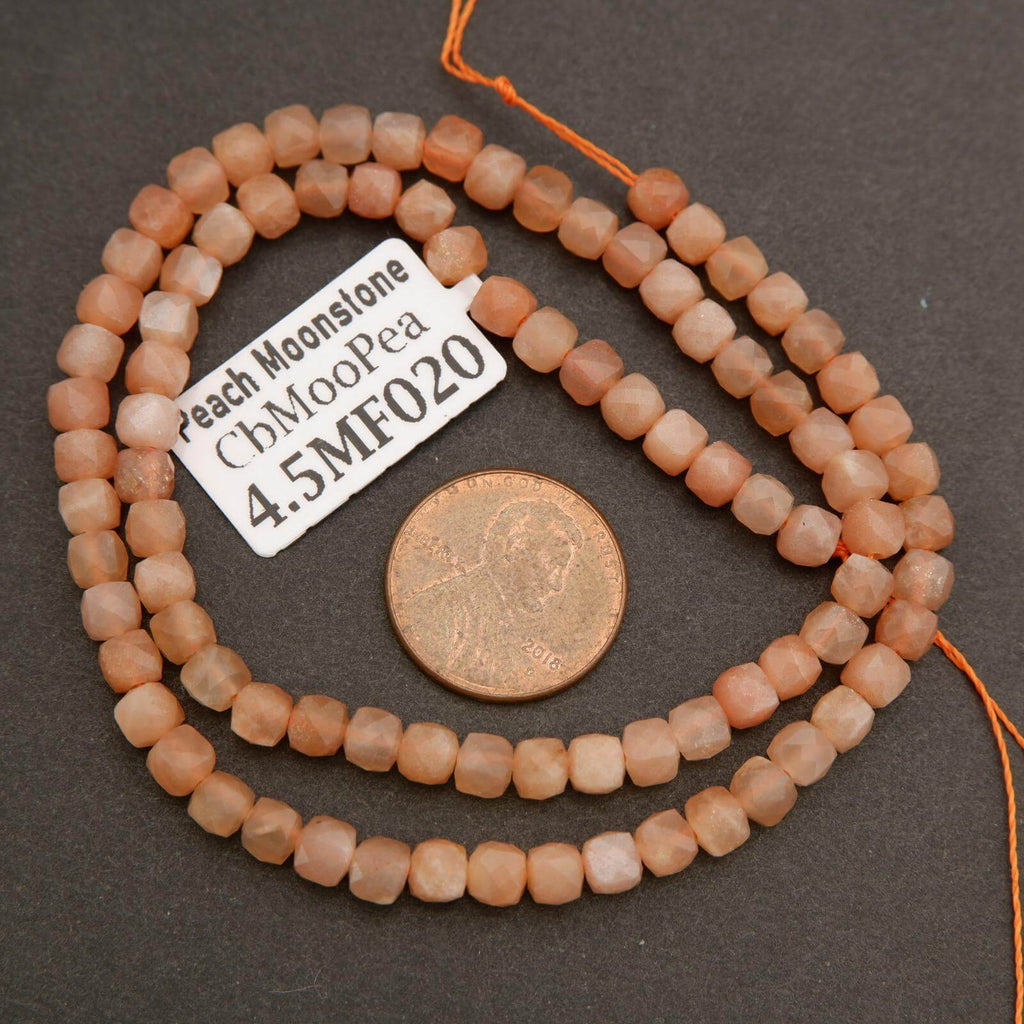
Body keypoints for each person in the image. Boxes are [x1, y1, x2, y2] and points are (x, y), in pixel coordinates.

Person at [403, 499, 583, 687]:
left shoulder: (518, 622)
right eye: (555, 564)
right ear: (515, 547)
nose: (557, 585)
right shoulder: (434, 612)